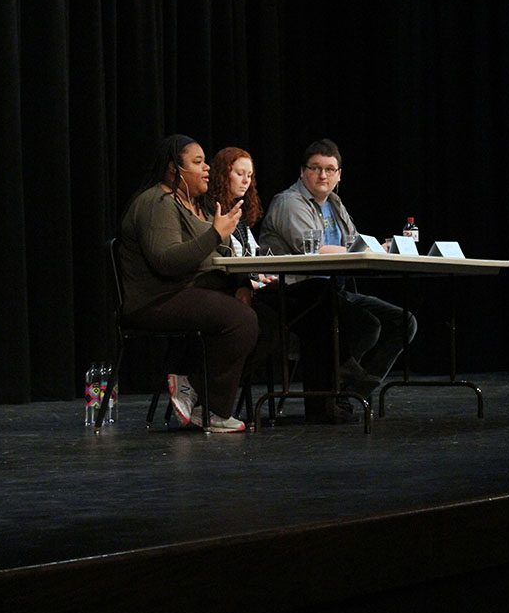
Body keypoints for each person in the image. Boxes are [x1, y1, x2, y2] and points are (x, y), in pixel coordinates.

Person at [119, 134, 277, 433]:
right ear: (173, 170)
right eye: (198, 162)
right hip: (158, 299)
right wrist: (216, 234)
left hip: (191, 291)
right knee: (240, 319)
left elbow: (215, 254)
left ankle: (195, 388)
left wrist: (242, 282)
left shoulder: (195, 205)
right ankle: (213, 409)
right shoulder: (158, 202)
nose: (207, 168)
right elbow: (167, 261)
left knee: (268, 321)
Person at [259, 137, 417, 423]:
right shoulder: (289, 202)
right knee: (366, 324)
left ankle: (354, 387)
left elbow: (354, 242)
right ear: (302, 172)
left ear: (339, 175)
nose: (323, 175)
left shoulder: (335, 203)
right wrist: (364, 249)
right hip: (297, 294)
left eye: (330, 169)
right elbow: (314, 249)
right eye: (316, 168)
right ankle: (348, 383)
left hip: (333, 290)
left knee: (403, 321)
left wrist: (379, 248)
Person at [208, 146, 278, 291]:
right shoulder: (212, 211)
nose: (246, 181)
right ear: (222, 175)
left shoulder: (239, 210)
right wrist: (254, 283)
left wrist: (262, 279)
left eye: (249, 175)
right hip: (230, 288)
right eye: (240, 174)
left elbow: (251, 255)